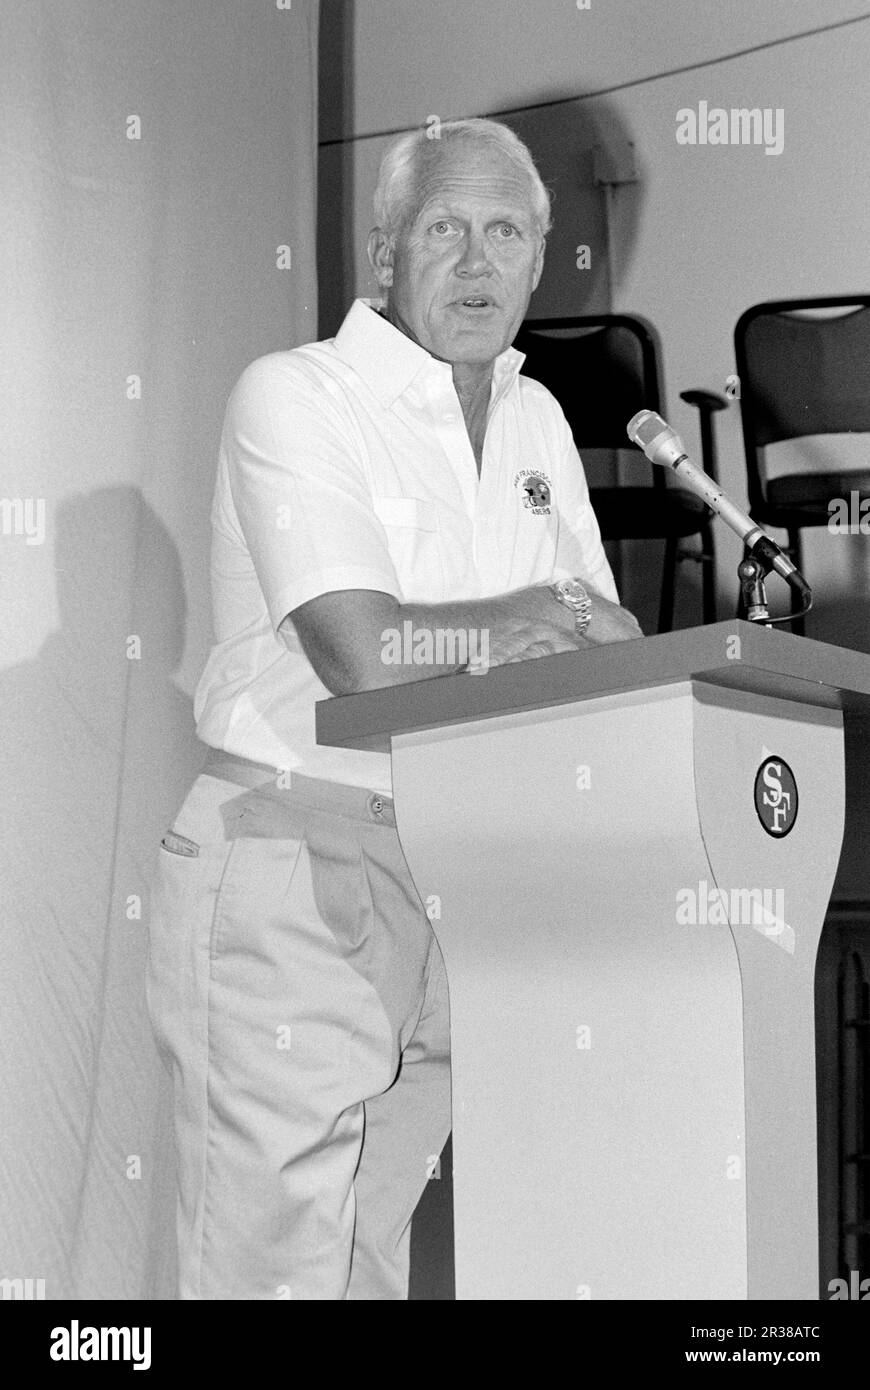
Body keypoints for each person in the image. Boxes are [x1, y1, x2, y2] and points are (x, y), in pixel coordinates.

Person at [145, 116, 642, 1301]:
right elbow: (361, 652)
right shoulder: (296, 396)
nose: (478, 263)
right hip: (293, 853)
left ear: (540, 261)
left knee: (369, 1265)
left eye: (506, 233)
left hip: (463, 870)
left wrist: (516, 631)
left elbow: (610, 643)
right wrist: (527, 614)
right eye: (446, 230)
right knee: (269, 1270)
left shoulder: (536, 425)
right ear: (385, 253)